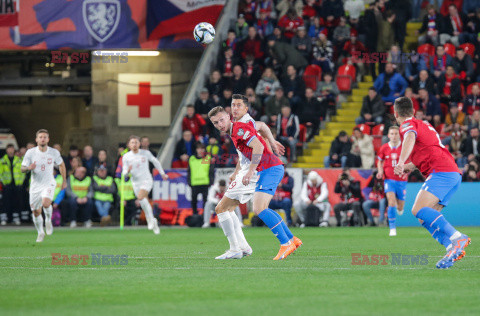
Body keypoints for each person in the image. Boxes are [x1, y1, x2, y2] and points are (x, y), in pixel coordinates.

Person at [208, 106, 301, 260]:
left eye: (222, 120)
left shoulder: (238, 129)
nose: (219, 124)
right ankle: (290, 239)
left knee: (255, 208)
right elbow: (259, 132)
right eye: (215, 123)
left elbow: (257, 145)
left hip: (266, 168)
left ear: (229, 116)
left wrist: (250, 170)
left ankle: (284, 243)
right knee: (238, 208)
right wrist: (238, 171)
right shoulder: (236, 131)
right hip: (265, 169)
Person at [393, 96, 470, 269]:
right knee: (424, 217)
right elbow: (427, 150)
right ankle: (451, 248)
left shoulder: (407, 125)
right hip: (450, 173)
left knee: (418, 209)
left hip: (441, 171)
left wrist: (400, 162)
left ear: (396, 113)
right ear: (413, 111)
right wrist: (409, 166)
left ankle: (457, 237)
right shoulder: (424, 124)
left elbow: (410, 138)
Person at [20, 130, 66, 242]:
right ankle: (40, 232)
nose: (42, 139)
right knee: (36, 212)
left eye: (45, 137)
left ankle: (48, 220)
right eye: (40, 137)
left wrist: (64, 180)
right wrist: (28, 168)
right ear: (36, 139)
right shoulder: (30, 153)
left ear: (48, 139)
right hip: (35, 186)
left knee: (46, 203)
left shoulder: (53, 152)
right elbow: (22, 168)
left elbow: (61, 165)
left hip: (48, 182)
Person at [122, 135, 168, 235]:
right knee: (143, 202)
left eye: (136, 142)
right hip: (135, 182)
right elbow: (124, 171)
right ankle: (153, 221)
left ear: (140, 144)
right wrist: (127, 172)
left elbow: (155, 161)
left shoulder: (145, 153)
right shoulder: (126, 156)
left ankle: (150, 220)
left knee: (140, 197)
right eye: (132, 143)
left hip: (146, 180)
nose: (134, 144)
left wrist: (162, 173)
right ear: (129, 145)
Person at [377, 126, 407, 236]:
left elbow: (410, 162)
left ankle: (399, 209)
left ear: (399, 135)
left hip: (402, 180)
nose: (394, 136)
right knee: (391, 202)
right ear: (388, 135)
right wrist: (380, 171)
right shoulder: (384, 148)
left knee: (400, 207)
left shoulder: (404, 147)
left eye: (396, 134)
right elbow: (379, 161)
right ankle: (392, 228)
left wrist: (406, 171)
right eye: (392, 134)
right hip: (389, 180)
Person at [0, 144, 25, 225]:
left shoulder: (19, 160)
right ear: (6, 150)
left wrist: (20, 182)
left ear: (14, 150)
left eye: (12, 148)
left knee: (16, 202)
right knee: (6, 202)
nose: (10, 150)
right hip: (7, 184)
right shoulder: (2, 160)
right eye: (9, 149)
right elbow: (1, 173)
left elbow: (22, 173)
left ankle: (16, 218)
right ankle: (5, 218)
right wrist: (3, 182)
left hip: (16, 184)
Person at [187, 142, 214, 215]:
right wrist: (189, 182)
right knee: (194, 201)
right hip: (194, 183)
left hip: (205, 183)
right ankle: (195, 215)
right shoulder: (191, 159)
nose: (200, 150)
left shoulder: (208, 158)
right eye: (199, 148)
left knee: (205, 201)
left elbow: (211, 171)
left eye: (202, 148)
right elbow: (189, 171)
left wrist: (211, 182)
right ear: (196, 149)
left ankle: (205, 215)